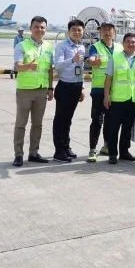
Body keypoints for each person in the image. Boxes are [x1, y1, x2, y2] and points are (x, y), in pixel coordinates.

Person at [12, 16, 54, 167]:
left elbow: (50, 69)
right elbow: (17, 66)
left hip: (41, 91)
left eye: (42, 27)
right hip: (25, 90)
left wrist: (50, 88)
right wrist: (27, 66)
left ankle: (33, 153)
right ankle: (18, 154)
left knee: (37, 124)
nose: (39, 30)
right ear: (31, 29)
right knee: (21, 124)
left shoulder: (49, 47)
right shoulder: (22, 46)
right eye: (36, 27)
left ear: (45, 29)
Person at [103, 33, 135, 164]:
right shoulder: (114, 58)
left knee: (127, 128)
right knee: (114, 128)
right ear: (123, 43)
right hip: (117, 99)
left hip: (132, 99)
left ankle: (124, 152)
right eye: (128, 42)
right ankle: (112, 153)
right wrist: (106, 96)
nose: (131, 44)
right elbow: (108, 78)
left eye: (133, 42)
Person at [51, 19, 87, 162]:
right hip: (65, 86)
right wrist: (72, 60)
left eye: (79, 30)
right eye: (74, 30)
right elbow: (58, 66)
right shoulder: (62, 46)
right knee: (60, 119)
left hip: (76, 86)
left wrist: (82, 87)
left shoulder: (82, 47)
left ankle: (66, 146)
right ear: (69, 32)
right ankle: (59, 150)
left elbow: (81, 70)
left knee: (68, 120)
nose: (77, 32)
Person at [86, 22, 121, 162]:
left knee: (111, 121)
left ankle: (107, 146)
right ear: (100, 33)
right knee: (97, 120)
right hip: (99, 89)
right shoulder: (95, 47)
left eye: (109, 30)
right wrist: (93, 61)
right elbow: (91, 59)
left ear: (114, 32)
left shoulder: (119, 48)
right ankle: (92, 150)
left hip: (116, 90)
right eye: (104, 30)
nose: (107, 33)